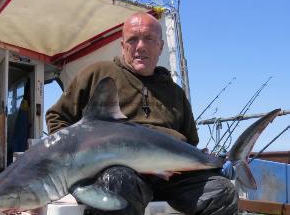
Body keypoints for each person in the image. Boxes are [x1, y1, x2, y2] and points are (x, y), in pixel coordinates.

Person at [46, 12, 238, 215]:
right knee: (116, 185)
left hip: (172, 176)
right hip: (120, 172)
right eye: (132, 39)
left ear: (160, 46)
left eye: (148, 38)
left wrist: (212, 165)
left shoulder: (175, 93)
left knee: (222, 193)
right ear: (122, 46)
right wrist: (76, 161)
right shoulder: (97, 74)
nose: (140, 46)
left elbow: (190, 142)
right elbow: (58, 117)